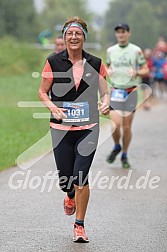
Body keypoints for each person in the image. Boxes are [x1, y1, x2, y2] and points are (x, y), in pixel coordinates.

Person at [38, 16, 110, 243]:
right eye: (69, 33)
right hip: (60, 128)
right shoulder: (53, 62)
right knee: (65, 181)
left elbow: (105, 92)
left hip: (88, 127)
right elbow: (42, 92)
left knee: (81, 176)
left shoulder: (96, 63)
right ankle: (69, 195)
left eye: (78, 33)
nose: (73, 37)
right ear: (64, 37)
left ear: (84, 38)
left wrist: (106, 102)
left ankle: (79, 226)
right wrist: (52, 107)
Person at [106, 23, 149, 168]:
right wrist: (108, 71)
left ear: (128, 33)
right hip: (116, 90)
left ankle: (124, 154)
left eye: (123, 32)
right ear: (116, 34)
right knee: (114, 124)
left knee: (126, 126)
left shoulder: (136, 50)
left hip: (131, 91)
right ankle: (116, 146)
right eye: (118, 32)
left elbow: (146, 69)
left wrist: (137, 73)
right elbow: (106, 67)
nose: (120, 34)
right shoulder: (110, 51)